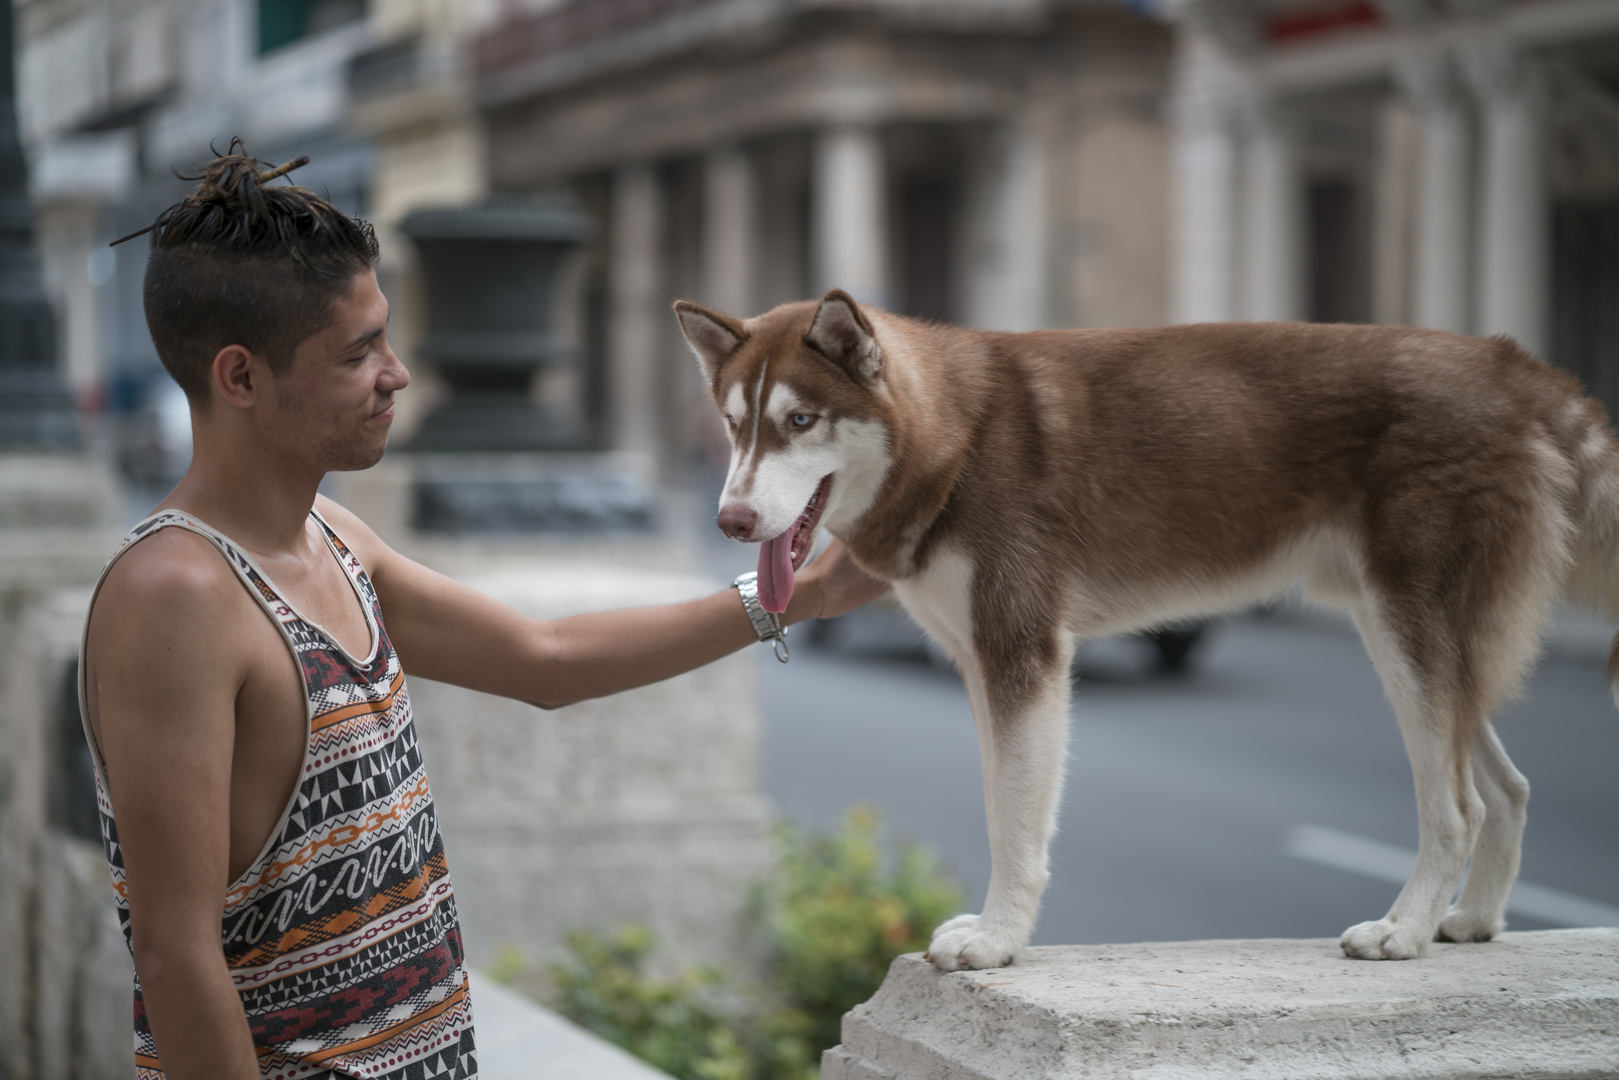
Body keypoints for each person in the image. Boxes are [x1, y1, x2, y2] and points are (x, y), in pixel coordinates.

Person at [79, 142, 887, 1080]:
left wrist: (805, 595)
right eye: (358, 352)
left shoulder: (333, 536)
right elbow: (177, 959)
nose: (397, 373)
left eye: (384, 336)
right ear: (240, 377)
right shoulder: (173, 594)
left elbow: (542, 657)